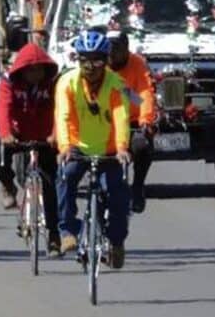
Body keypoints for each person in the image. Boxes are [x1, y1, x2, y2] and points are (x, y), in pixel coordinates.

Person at [55, 30, 131, 269]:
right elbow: (63, 116)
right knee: (66, 177)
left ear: (106, 61)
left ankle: (116, 243)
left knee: (118, 193)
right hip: (77, 147)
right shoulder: (66, 82)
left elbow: (122, 117)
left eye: (97, 60)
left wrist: (121, 147)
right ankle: (68, 231)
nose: (91, 67)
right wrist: (65, 146)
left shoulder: (117, 84)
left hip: (109, 150)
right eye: (84, 60)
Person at [0, 42, 61, 255]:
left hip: (45, 137)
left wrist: (56, 135)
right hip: (17, 135)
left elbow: (60, 110)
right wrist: (6, 134)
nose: (35, 74)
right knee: (0, 154)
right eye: (30, 70)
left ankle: (53, 235)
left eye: (39, 69)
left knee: (50, 185)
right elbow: (3, 109)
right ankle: (8, 186)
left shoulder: (52, 84)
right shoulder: (9, 83)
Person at [105, 30, 156, 214]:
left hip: (132, 120)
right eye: (109, 49)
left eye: (117, 49)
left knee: (142, 146)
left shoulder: (137, 64)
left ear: (126, 49)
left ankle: (138, 187)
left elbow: (145, 93)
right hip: (104, 121)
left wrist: (145, 120)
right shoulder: (98, 63)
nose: (112, 54)